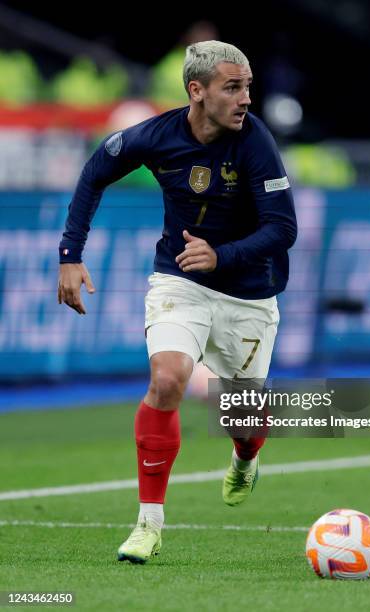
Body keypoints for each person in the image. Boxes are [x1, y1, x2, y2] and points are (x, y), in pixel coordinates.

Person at [57, 41, 297, 564]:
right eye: (233, 88)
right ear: (197, 91)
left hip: (250, 296)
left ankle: (244, 456)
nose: (245, 99)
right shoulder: (156, 136)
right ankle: (148, 524)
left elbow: (284, 228)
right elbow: (95, 170)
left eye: (248, 87)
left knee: (246, 424)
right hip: (179, 280)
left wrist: (222, 255)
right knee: (167, 380)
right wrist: (70, 253)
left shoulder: (256, 143)